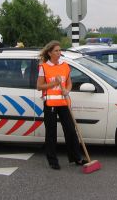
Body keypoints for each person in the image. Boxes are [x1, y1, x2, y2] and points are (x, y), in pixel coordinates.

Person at [36, 41, 86, 170]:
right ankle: (53, 160)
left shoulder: (65, 66)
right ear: (49, 53)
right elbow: (39, 86)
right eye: (56, 51)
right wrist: (54, 84)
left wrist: (67, 90)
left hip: (64, 102)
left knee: (70, 130)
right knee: (51, 133)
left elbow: (69, 83)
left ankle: (76, 157)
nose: (59, 53)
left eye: (59, 50)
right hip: (50, 104)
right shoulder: (44, 67)